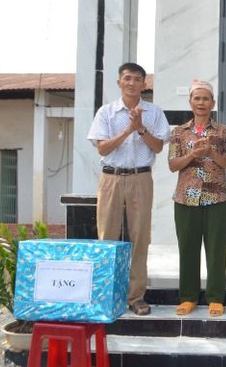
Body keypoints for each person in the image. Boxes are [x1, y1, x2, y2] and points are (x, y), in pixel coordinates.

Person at [87, 62, 170, 316]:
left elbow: (158, 147)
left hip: (140, 177)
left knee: (140, 238)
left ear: (144, 84)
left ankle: (136, 297)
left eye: (137, 79)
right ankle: (106, 295)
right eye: (127, 78)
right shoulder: (107, 112)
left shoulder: (154, 112)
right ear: (119, 82)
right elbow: (102, 148)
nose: (132, 83)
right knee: (108, 237)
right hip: (111, 178)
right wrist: (128, 130)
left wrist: (141, 128)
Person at [168, 80, 226, 317]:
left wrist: (210, 152)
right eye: (197, 98)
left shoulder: (224, 131)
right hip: (186, 199)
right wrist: (192, 155)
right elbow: (172, 165)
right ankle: (188, 297)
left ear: (212, 103)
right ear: (190, 102)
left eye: (206, 98)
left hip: (216, 198)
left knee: (216, 250)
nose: (201, 102)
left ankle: (215, 297)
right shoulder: (178, 132)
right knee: (188, 249)